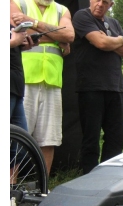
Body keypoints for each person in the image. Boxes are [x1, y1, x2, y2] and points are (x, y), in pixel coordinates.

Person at [10, 0, 75, 176]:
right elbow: (19, 34)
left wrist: (34, 23)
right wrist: (55, 36)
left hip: (52, 80)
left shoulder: (62, 10)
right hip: (24, 79)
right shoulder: (18, 3)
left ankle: (43, 190)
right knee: (16, 137)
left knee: (49, 138)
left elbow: (69, 35)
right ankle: (10, 188)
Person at [72, 0, 123, 175]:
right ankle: (88, 179)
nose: (100, 4)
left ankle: (107, 178)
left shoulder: (114, 23)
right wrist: (120, 40)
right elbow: (101, 43)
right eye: (97, 0)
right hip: (91, 86)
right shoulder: (82, 16)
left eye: (105, 2)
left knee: (116, 137)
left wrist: (112, 40)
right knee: (91, 138)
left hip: (115, 86)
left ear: (111, 5)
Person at [10, 22, 35, 206]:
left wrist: (21, 44)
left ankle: (10, 193)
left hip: (17, 87)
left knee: (21, 148)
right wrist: (12, 42)